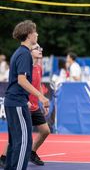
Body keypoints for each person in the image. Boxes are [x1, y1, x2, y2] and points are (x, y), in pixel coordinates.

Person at [4, 20, 49, 170]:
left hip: (13, 101)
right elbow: (22, 80)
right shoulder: (24, 54)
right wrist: (41, 97)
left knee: (15, 141)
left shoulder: (20, 53)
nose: (37, 34)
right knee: (24, 142)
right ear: (29, 35)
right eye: (35, 32)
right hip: (17, 102)